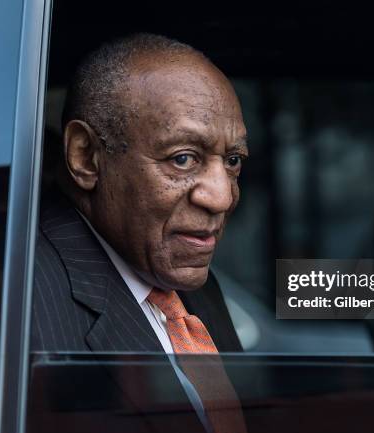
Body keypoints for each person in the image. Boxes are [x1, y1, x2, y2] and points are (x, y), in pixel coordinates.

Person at [31, 33, 249, 433]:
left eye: (232, 160)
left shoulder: (192, 289)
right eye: (183, 158)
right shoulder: (25, 298)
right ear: (86, 157)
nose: (221, 197)